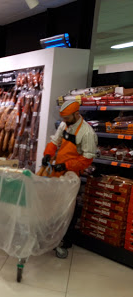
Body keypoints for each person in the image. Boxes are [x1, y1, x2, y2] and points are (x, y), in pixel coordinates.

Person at [42, 100, 98, 251]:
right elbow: (55, 141)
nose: (64, 121)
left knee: (67, 207)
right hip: (57, 170)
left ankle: (66, 239)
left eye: (67, 118)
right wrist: (48, 154)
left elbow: (87, 159)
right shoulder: (64, 124)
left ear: (76, 114)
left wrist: (66, 166)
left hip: (71, 174)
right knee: (53, 204)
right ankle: (50, 235)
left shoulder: (87, 133)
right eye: (63, 118)